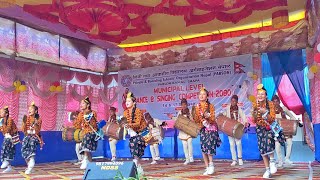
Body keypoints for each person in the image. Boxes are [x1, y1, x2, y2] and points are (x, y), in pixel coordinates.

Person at [252, 84, 285, 178]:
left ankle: (272, 162)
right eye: (259, 94)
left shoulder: (270, 104)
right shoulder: (255, 105)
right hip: (259, 128)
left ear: (266, 95)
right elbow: (254, 120)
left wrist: (265, 112)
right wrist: (255, 113)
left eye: (262, 94)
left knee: (269, 142)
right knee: (262, 149)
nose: (260, 96)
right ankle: (267, 170)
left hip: (269, 127)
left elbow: (272, 119)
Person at [194, 87, 221, 175]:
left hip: (211, 128)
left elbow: (213, 118)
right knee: (203, 148)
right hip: (202, 129)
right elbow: (196, 120)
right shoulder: (196, 107)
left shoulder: (210, 106)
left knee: (209, 147)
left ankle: (211, 165)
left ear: (207, 96)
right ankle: (207, 167)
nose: (201, 96)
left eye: (203, 94)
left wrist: (208, 117)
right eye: (200, 94)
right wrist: (199, 120)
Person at [123, 91, 147, 175]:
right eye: (126, 101)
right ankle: (138, 168)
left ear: (134, 102)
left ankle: (136, 167)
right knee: (134, 153)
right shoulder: (125, 112)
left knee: (136, 153)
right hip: (132, 135)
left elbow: (137, 124)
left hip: (141, 134)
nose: (127, 103)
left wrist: (128, 125)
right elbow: (125, 124)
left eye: (129, 101)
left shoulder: (138, 111)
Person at [73, 97, 98, 170]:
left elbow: (95, 125)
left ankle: (85, 158)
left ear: (88, 105)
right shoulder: (80, 114)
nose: (81, 105)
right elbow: (77, 126)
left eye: (83, 103)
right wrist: (75, 120)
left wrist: (89, 119)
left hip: (92, 133)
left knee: (87, 136)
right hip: (85, 134)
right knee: (85, 141)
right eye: (80, 103)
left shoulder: (93, 113)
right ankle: (90, 164)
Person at [168, 98, 194, 165]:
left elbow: (193, 119)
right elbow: (177, 120)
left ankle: (191, 157)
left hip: (189, 130)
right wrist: (171, 117)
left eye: (185, 104)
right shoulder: (180, 112)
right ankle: (187, 159)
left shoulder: (190, 111)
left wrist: (189, 118)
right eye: (182, 104)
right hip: (182, 131)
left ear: (187, 104)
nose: (184, 106)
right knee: (184, 145)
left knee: (189, 143)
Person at [272, 95, 296, 167]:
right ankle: (280, 161)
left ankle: (287, 158)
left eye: (277, 101)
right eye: (274, 102)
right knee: (277, 145)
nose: (276, 103)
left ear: (279, 102)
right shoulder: (271, 111)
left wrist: (296, 122)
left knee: (290, 142)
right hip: (276, 130)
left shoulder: (283, 109)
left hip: (285, 128)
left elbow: (292, 116)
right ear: (272, 103)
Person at [223, 95, 247, 166]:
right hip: (229, 128)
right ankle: (234, 160)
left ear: (237, 102)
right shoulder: (227, 109)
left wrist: (245, 122)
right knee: (231, 144)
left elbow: (243, 116)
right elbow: (224, 116)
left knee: (238, 143)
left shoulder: (239, 109)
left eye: (234, 101)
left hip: (237, 128)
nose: (233, 102)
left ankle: (240, 158)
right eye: (232, 101)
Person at [21, 102, 43, 174]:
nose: (29, 110)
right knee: (23, 151)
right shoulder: (26, 118)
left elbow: (37, 131)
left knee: (31, 145)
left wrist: (36, 123)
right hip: (27, 136)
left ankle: (31, 164)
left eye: (31, 109)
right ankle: (30, 166)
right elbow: (23, 130)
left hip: (34, 136)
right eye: (29, 109)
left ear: (35, 111)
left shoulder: (38, 119)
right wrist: (24, 123)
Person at [0, 106, 18, 173]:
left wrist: (2, 125)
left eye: (2, 112)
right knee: (4, 149)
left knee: (7, 149)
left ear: (6, 113)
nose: (0, 113)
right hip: (7, 137)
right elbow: (2, 130)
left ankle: (6, 162)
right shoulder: (2, 121)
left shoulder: (9, 119)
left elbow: (8, 129)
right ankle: (9, 167)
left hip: (11, 137)